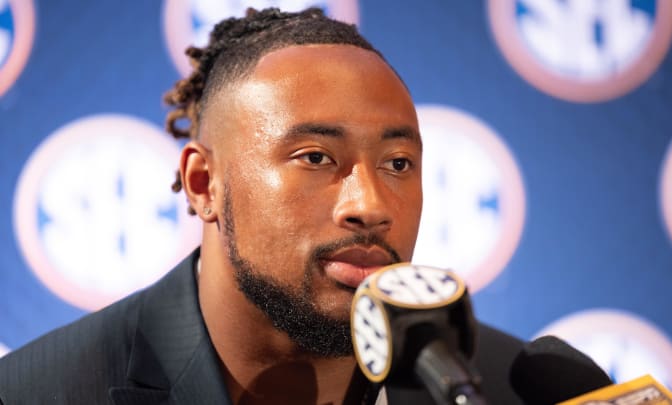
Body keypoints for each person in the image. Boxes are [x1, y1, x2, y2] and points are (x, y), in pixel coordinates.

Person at [0, 8, 530, 404]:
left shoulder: (516, 388)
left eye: (397, 164)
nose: (370, 206)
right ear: (204, 184)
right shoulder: (39, 394)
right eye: (317, 157)